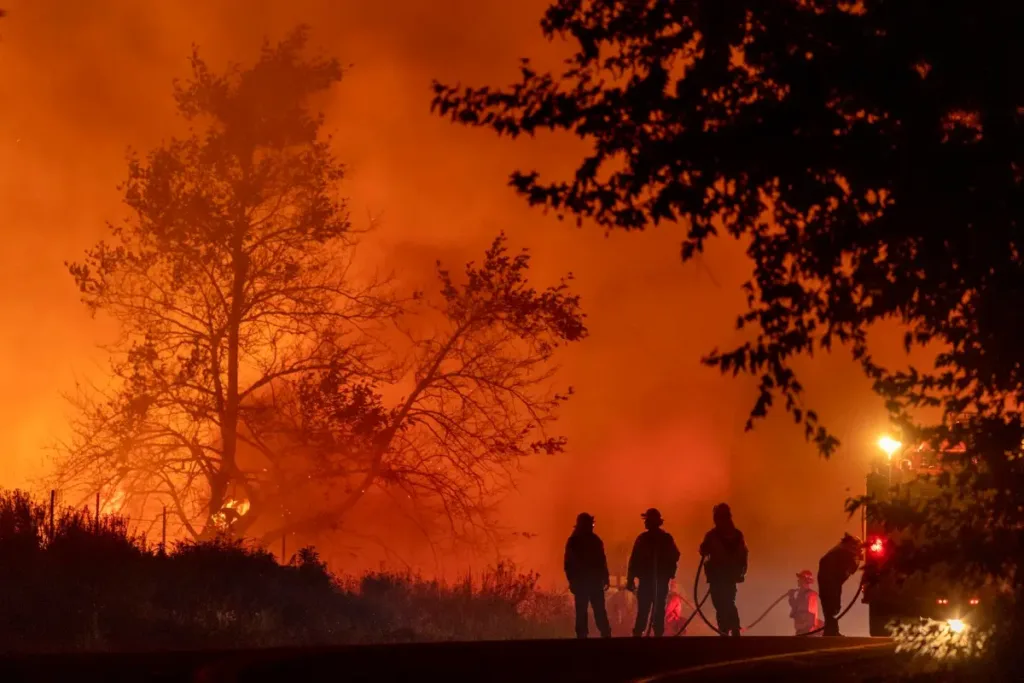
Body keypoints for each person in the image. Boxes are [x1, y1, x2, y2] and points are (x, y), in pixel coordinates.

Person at [626, 508, 680, 637]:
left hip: (651, 581)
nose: (645, 523)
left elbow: (634, 561)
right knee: (655, 610)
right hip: (656, 581)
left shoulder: (645, 539)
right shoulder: (663, 538)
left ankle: (643, 636)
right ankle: (655, 637)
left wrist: (630, 579)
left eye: (647, 520)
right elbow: (675, 555)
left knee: (648, 611)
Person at [699, 503, 748, 637]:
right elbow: (744, 555)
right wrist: (741, 572)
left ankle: (725, 630)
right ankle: (733, 628)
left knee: (720, 603)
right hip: (730, 576)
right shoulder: (737, 535)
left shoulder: (713, 535)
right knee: (728, 601)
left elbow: (703, 550)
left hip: (718, 576)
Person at [564, 512, 612, 638]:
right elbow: (602, 561)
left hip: (584, 582)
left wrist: (572, 580)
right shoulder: (593, 540)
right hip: (591, 582)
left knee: (584, 611)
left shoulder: (574, 541)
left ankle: (584, 637)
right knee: (597, 611)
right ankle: (604, 635)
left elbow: (568, 564)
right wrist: (605, 577)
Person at [817, 533, 862, 636]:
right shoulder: (842, 553)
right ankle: (831, 631)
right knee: (832, 607)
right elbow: (848, 570)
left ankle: (831, 630)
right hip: (830, 584)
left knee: (831, 607)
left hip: (830, 584)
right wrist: (857, 558)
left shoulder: (837, 553)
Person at [789, 570, 824, 635]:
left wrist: (809, 631)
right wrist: (791, 596)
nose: (798, 580)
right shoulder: (800, 595)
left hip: (807, 630)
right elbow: (795, 607)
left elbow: (811, 614)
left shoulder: (811, 595)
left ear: (805, 580)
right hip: (801, 629)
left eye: (800, 579)